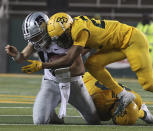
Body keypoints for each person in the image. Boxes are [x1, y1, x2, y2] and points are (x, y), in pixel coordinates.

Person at [20, 12, 153, 116]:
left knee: (148, 84)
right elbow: (85, 48)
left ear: (67, 29)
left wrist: (42, 65)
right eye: (56, 39)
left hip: (132, 40)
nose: (60, 42)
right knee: (93, 64)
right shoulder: (73, 27)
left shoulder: (79, 30)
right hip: (116, 45)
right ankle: (123, 94)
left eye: (61, 37)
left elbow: (69, 59)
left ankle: (131, 99)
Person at [5, 12, 101, 125]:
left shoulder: (63, 36)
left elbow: (79, 69)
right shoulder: (35, 43)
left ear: (45, 29)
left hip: (73, 85)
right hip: (51, 83)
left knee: (93, 120)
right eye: (32, 38)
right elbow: (21, 58)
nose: (35, 41)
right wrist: (16, 55)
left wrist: (55, 66)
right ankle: (53, 117)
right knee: (39, 121)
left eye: (36, 37)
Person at [83, 72, 153, 125]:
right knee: (93, 120)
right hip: (84, 80)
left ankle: (145, 115)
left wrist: (144, 115)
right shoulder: (99, 102)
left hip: (97, 80)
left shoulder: (135, 98)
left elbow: (137, 107)